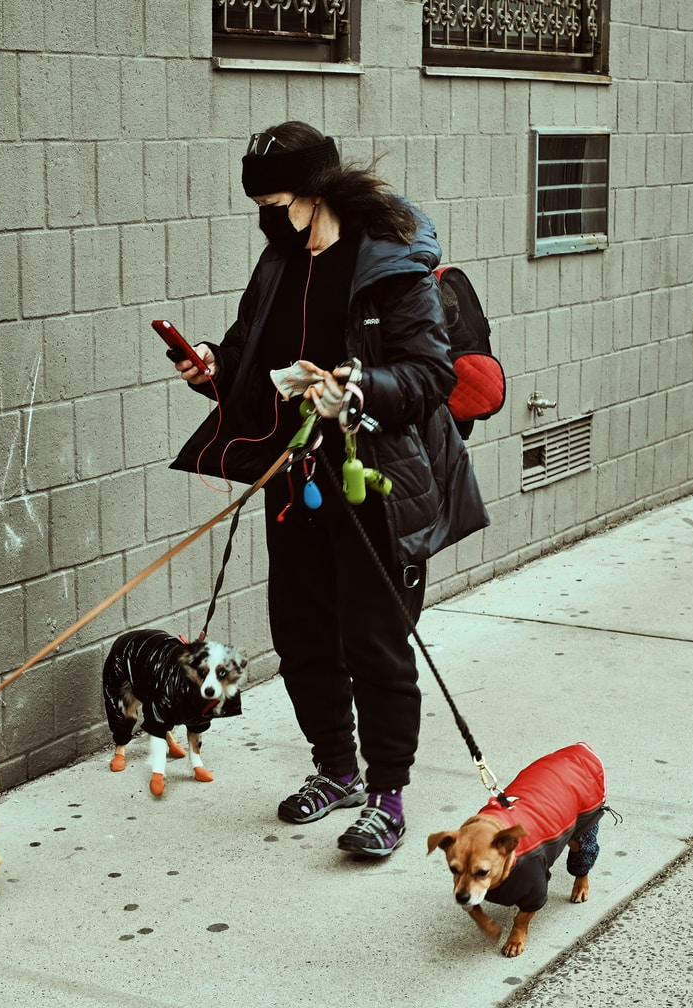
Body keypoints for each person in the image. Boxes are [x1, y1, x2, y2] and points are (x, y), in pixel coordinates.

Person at [167, 122, 488, 857]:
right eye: (260, 208)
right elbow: (248, 352)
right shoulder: (278, 262)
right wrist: (213, 364)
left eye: (275, 205)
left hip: (371, 482)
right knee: (302, 635)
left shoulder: (391, 262)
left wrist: (358, 388)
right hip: (296, 481)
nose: (267, 220)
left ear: (315, 194)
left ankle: (388, 795)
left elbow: (430, 374)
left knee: (374, 642)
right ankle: (337, 770)